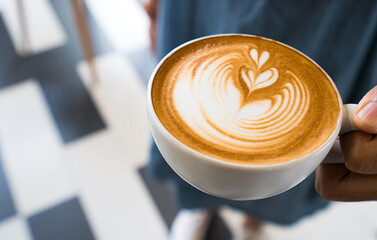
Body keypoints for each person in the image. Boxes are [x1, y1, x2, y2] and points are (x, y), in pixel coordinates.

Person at [143, 0, 377, 239]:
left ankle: (254, 220)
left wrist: (335, 143)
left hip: (337, 14)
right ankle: (200, 205)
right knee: (193, 154)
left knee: (275, 174)